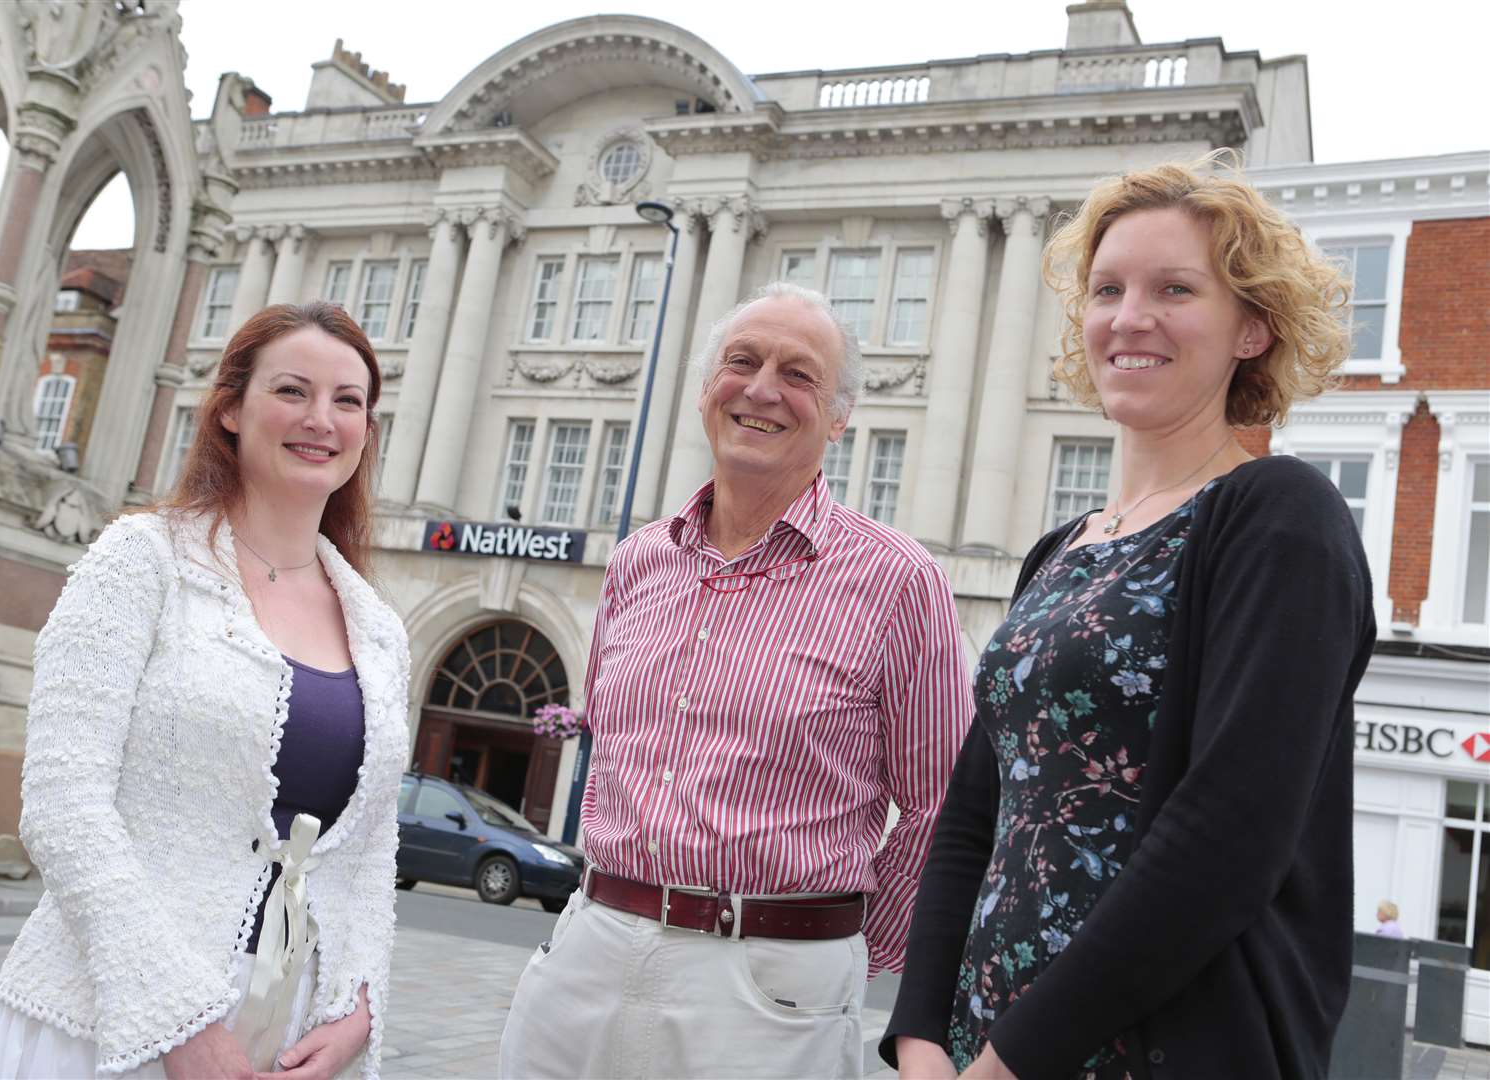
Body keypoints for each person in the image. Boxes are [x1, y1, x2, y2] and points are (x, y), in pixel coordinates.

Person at [885, 154, 1375, 1080]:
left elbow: (1229, 837)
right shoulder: (1060, 548)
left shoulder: (1279, 515)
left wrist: (1007, 1063)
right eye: (1107, 288)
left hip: (1149, 1053)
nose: (1129, 316)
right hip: (973, 1049)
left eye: (1175, 289)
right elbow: (971, 819)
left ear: (1254, 329)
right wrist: (920, 1038)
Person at [499, 282, 974, 1079]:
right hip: (589, 949)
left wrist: (834, 945)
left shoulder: (899, 579)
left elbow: (941, 805)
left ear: (840, 414)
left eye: (799, 374)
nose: (761, 390)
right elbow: (614, 756)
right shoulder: (637, 562)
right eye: (742, 362)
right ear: (704, 389)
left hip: (767, 989)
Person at [0, 302, 410, 1080]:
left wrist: (358, 1006)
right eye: (292, 391)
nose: (321, 420)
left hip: (282, 1030)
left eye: (348, 401)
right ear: (232, 408)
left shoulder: (377, 626)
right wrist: (179, 1021)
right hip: (108, 1020)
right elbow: (64, 805)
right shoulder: (141, 561)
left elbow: (369, 853)